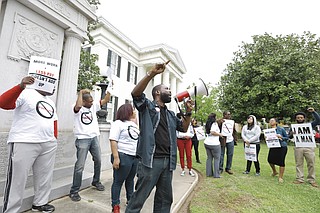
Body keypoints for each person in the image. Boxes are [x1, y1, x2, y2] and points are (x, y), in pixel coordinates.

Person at [125, 62, 193, 213]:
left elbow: (183, 127)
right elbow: (136, 94)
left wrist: (188, 112)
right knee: (139, 198)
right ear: (157, 93)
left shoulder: (169, 114)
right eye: (166, 89)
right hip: (150, 161)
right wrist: (152, 73)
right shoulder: (147, 107)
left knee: (165, 200)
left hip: (167, 162)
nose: (169, 91)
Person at [0, 76, 57, 213]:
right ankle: (11, 210)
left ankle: (40, 203)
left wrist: (54, 138)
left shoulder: (50, 102)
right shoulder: (26, 92)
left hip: (48, 143)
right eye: (52, 84)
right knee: (17, 179)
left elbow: (54, 120)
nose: (54, 87)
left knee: (44, 176)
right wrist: (20, 86)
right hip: (24, 140)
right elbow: (3, 103)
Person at [69, 87, 111, 201]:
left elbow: (105, 100)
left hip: (94, 137)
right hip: (82, 139)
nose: (92, 103)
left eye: (92, 101)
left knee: (98, 160)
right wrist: (81, 93)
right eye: (90, 101)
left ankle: (96, 181)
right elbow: (77, 106)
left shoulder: (93, 107)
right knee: (80, 166)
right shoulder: (78, 107)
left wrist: (110, 91)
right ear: (83, 101)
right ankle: (74, 191)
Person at [109, 103, 139, 212]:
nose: (135, 112)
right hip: (123, 155)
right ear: (127, 112)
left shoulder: (134, 125)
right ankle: (115, 206)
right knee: (118, 181)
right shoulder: (118, 124)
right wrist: (116, 158)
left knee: (130, 180)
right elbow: (113, 140)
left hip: (134, 157)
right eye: (133, 110)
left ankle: (130, 200)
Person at [289, 108, 320, 187]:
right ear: (296, 119)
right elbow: (289, 136)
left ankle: (311, 179)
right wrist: (292, 133)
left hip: (309, 146)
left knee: (311, 163)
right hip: (298, 147)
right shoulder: (293, 127)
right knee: (299, 163)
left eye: (301, 117)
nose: (300, 119)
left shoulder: (309, 125)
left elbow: (318, 120)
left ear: (304, 118)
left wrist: (313, 112)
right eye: (298, 118)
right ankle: (300, 178)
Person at [267, 118, 288, 183]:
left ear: (276, 122)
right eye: (270, 121)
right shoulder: (268, 130)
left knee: (281, 162)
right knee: (269, 160)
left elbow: (287, 137)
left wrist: (281, 137)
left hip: (282, 146)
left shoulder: (281, 129)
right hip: (273, 146)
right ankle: (274, 171)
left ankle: (280, 177)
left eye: (272, 120)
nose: (270, 122)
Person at [204, 113, 223, 178]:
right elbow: (213, 132)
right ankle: (216, 175)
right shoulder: (214, 124)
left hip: (207, 142)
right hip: (214, 143)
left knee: (209, 158)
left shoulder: (207, 123)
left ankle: (208, 173)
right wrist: (220, 134)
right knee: (217, 159)